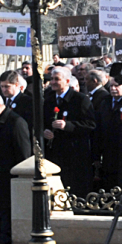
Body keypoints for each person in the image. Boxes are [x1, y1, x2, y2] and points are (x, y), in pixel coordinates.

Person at [0, 93, 31, 244]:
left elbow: (23, 152)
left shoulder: (16, 122)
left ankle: (6, 235)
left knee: (6, 209)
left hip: (9, 175)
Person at [43, 67, 96, 197]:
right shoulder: (48, 99)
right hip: (55, 152)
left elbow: (91, 125)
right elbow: (42, 121)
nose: (53, 82)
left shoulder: (80, 99)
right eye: (52, 79)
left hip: (75, 154)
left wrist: (68, 125)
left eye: (57, 79)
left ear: (67, 81)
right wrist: (45, 131)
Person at [93, 78, 122, 190]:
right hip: (107, 151)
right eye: (111, 86)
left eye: (117, 86)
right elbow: (98, 129)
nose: (113, 89)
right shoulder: (105, 102)